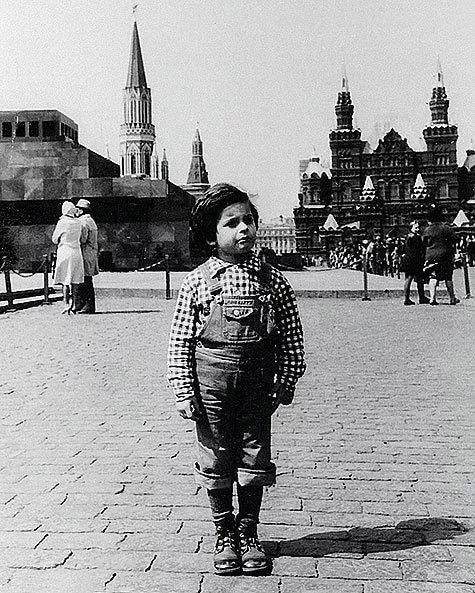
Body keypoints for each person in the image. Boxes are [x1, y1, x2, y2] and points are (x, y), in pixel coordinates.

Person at [167, 183, 306, 576]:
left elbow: (290, 334)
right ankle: (223, 531)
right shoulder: (198, 281)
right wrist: (182, 388)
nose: (243, 228)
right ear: (212, 234)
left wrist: (288, 377)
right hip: (211, 382)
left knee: (253, 453)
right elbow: (180, 340)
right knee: (215, 454)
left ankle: (248, 532)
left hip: (257, 383)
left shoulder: (272, 280)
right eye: (231, 223)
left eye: (249, 220)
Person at [52, 201, 84, 314]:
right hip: (76, 252)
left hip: (65, 250)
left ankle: (66, 304)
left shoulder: (62, 222)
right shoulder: (78, 222)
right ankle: (75, 304)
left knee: (65, 280)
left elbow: (54, 239)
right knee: (75, 280)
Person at [423, 207, 459, 305]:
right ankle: (452, 298)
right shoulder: (445, 228)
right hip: (445, 255)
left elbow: (424, 242)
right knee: (448, 277)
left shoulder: (427, 230)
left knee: (433, 277)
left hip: (431, 256)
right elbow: (455, 238)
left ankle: (432, 298)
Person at [76, 199, 99, 314]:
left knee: (85, 280)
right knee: (87, 279)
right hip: (91, 252)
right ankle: (84, 304)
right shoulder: (91, 221)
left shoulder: (83, 222)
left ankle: (87, 304)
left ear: (82, 210)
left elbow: (83, 239)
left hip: (85, 252)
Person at [400, 221, 430, 305]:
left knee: (408, 279)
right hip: (416, 260)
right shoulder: (416, 237)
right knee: (419, 279)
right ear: (411, 228)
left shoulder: (407, 237)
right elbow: (421, 249)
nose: (417, 229)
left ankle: (407, 298)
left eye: (418, 227)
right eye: (415, 228)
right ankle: (421, 297)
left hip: (408, 259)